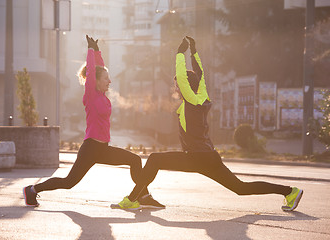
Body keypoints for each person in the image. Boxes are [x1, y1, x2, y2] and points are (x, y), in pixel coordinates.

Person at [112, 36, 303, 212]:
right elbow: (201, 75)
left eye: (177, 85)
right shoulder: (202, 97)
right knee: (241, 188)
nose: (176, 87)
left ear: (185, 85)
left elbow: (186, 76)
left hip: (196, 156)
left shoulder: (192, 101)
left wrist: (180, 54)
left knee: (154, 159)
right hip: (208, 157)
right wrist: (194, 52)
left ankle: (132, 199)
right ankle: (289, 191)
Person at [23, 35, 164, 209]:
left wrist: (97, 51)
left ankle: (143, 195)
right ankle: (32, 190)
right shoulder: (90, 95)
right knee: (69, 182)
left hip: (103, 149)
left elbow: (100, 68)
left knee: (135, 160)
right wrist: (89, 52)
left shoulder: (103, 96)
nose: (109, 81)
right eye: (106, 79)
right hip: (90, 149)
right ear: (95, 82)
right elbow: (92, 71)